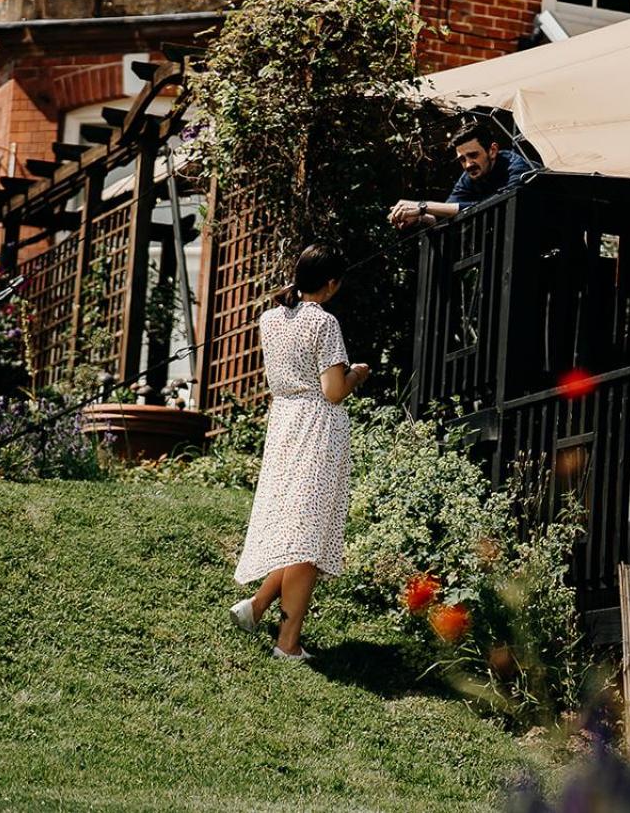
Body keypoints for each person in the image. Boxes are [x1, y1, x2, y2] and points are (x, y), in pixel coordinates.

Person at [229, 244, 368, 662]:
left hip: (284, 424)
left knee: (296, 528)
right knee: (307, 539)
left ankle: (255, 608)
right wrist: (357, 374)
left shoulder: (270, 319)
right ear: (332, 284)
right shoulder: (324, 323)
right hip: (317, 428)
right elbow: (334, 391)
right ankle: (287, 644)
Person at [387, 121, 534, 229]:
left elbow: (496, 206)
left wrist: (423, 206)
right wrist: (418, 217)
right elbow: (447, 212)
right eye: (462, 159)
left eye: (473, 155)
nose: (468, 164)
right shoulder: (470, 176)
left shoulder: (516, 168)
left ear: (492, 151)